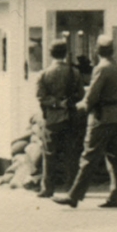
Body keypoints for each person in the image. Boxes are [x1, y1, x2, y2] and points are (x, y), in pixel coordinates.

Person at [54, 35, 117, 209]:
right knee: (116, 160)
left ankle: (73, 196)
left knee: (88, 157)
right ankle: (115, 196)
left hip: (101, 117)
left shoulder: (101, 69)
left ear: (97, 50)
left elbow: (91, 97)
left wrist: (75, 109)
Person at [36, 39, 85, 198]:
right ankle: (71, 187)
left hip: (52, 119)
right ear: (65, 54)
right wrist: (67, 103)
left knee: (49, 154)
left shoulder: (44, 74)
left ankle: (47, 188)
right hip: (70, 117)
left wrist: (56, 104)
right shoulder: (74, 72)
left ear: (50, 53)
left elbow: (41, 97)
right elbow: (80, 95)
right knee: (72, 154)